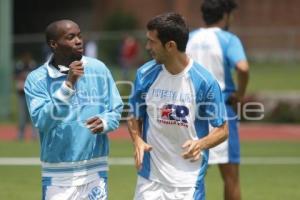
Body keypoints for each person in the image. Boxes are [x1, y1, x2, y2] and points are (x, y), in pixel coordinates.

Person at [127, 12, 228, 200]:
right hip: (150, 179)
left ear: (170, 46)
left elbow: (222, 130)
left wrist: (200, 143)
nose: (147, 47)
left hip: (188, 182)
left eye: (152, 42)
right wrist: (137, 140)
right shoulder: (145, 74)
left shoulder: (204, 82)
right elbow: (134, 114)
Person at [24, 19, 123, 200]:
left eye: (79, 35)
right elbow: (42, 121)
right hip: (58, 175)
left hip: (95, 170)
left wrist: (105, 122)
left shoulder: (98, 69)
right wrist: (68, 85)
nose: (78, 41)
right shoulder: (36, 79)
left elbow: (116, 109)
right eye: (71, 37)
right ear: (54, 44)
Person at [186, 1, 250, 200]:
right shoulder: (228, 39)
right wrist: (240, 94)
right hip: (220, 111)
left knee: (189, 176)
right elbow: (243, 67)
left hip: (191, 111)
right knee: (231, 177)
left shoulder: (189, 38)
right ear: (225, 15)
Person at [14, 51, 37, 140]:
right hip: (21, 93)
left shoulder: (32, 65)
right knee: (22, 115)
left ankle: (34, 134)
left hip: (31, 94)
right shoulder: (19, 65)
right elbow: (15, 76)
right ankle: (21, 134)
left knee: (33, 114)